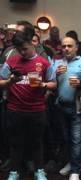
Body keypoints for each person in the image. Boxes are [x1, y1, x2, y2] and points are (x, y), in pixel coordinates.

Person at [0, 31, 56, 180]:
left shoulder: (43, 62)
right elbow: (0, 81)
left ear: (32, 43)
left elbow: (53, 84)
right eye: (19, 50)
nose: (22, 52)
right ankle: (14, 172)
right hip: (15, 109)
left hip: (37, 110)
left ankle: (39, 171)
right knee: (15, 143)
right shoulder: (11, 61)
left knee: (37, 142)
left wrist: (43, 84)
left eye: (25, 48)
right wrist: (9, 82)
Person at [55, 36, 81, 180]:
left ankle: (75, 170)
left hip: (77, 108)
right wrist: (55, 75)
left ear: (76, 47)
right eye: (64, 46)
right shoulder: (57, 63)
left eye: (69, 46)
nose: (66, 48)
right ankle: (70, 162)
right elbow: (49, 84)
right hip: (61, 107)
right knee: (65, 139)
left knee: (76, 139)